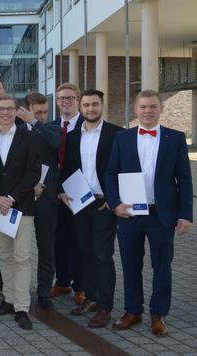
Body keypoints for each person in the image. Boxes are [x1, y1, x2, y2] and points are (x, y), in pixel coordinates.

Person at [106, 90, 193, 337]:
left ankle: (159, 313)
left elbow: (185, 180)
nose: (148, 111)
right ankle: (133, 311)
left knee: (162, 267)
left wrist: (185, 214)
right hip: (131, 213)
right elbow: (111, 172)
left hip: (162, 215)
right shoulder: (123, 138)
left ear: (160, 109)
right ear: (136, 109)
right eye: (143, 107)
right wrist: (115, 204)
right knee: (130, 265)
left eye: (153, 106)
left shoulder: (174, 138)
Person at [58, 89, 121, 327]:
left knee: (102, 254)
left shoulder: (116, 134)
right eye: (86, 105)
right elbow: (67, 168)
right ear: (80, 107)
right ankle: (91, 297)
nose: (91, 109)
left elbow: (125, 168)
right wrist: (61, 190)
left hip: (104, 204)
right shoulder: (73, 136)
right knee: (84, 251)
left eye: (95, 104)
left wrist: (114, 198)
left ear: (102, 105)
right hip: (80, 201)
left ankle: (105, 306)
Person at [0, 95, 41, 330]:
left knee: (22, 258)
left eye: (9, 109)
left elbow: (33, 173)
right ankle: (8, 300)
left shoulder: (30, 138)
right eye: (0, 109)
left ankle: (22, 307)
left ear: (17, 111)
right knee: (4, 256)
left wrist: (11, 198)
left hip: (21, 206)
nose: (5, 112)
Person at [17, 92, 62, 312]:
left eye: (45, 112)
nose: (43, 116)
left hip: (46, 198)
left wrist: (35, 123)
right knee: (16, 247)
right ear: (25, 110)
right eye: (37, 113)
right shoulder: (15, 131)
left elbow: (56, 143)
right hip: (21, 198)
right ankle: (13, 290)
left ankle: (44, 292)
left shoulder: (51, 128)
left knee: (47, 247)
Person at [52, 83, 85, 305]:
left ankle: (81, 286)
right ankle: (62, 280)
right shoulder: (52, 127)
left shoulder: (87, 126)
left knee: (79, 241)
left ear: (78, 100)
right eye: (62, 98)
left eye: (71, 98)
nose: (66, 101)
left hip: (81, 192)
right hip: (56, 192)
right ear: (57, 101)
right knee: (59, 240)